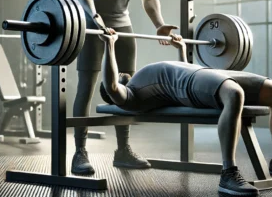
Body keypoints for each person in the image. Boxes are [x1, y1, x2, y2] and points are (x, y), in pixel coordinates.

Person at [72, 0, 178, 175]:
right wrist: (94, 17)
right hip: (92, 26)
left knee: (125, 89)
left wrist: (160, 24)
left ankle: (123, 150)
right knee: (87, 86)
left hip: (123, 26)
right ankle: (79, 152)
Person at [98, 30, 272, 196]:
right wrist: (110, 45)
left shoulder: (139, 83)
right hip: (193, 81)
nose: (121, 72)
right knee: (234, 94)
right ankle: (229, 173)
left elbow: (182, 74)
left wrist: (181, 49)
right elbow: (111, 86)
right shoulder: (130, 97)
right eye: (118, 74)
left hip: (202, 73)